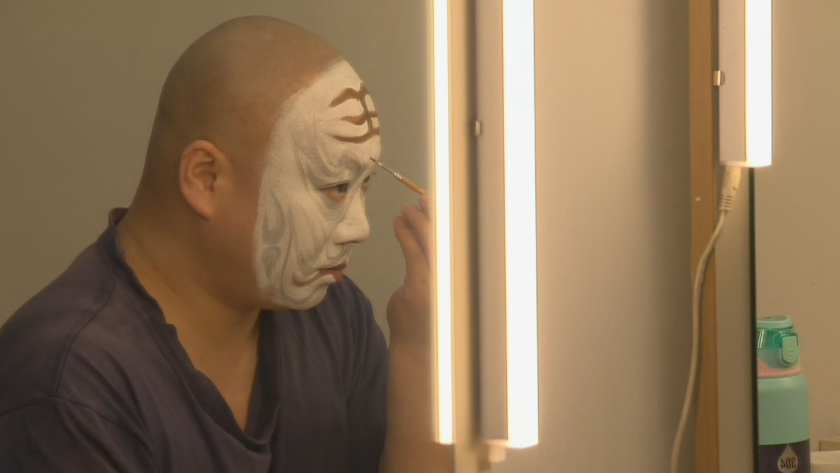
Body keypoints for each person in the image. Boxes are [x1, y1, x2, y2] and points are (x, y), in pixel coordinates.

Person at [0, 16, 450, 473]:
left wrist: (422, 349)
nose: (360, 228)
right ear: (205, 178)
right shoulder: (71, 386)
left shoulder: (331, 317)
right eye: (335, 187)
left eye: (364, 184)